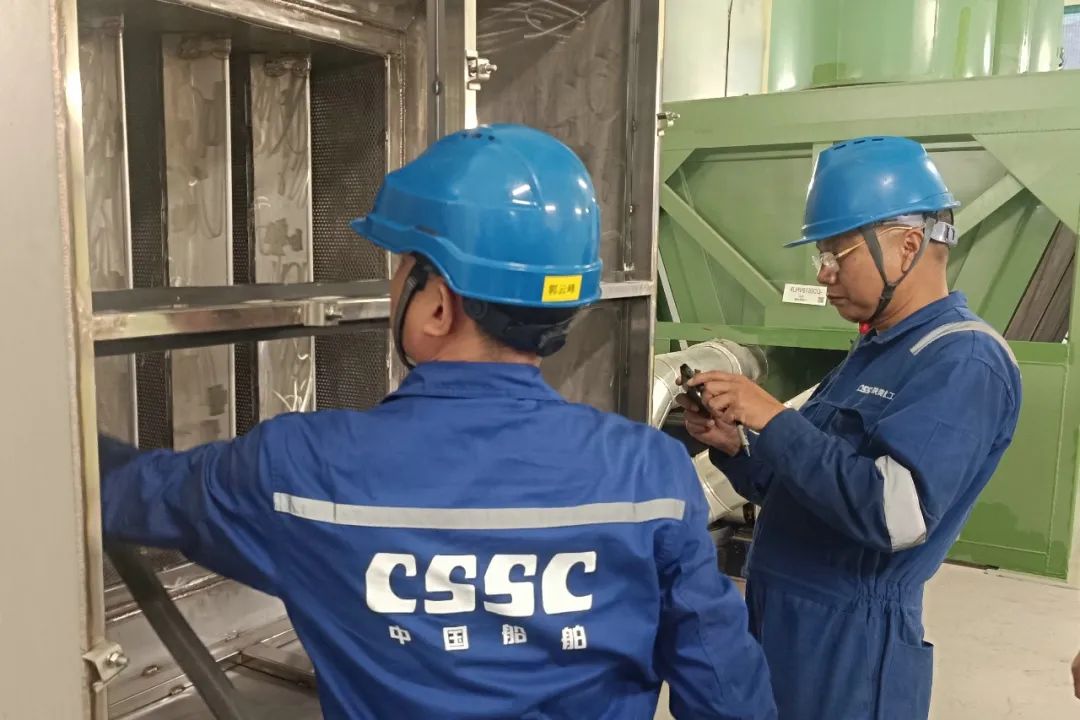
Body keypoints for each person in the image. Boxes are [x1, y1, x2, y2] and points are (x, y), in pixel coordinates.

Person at [99, 124, 776, 720]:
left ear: (437, 306)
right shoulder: (650, 475)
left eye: (403, 269)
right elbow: (724, 688)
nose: (395, 284)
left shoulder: (302, 470)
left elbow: (120, 491)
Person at [678, 136, 1022, 720]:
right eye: (822, 256)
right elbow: (802, 488)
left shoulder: (962, 360)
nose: (825, 274)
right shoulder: (876, 351)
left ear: (909, 245)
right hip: (784, 620)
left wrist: (773, 418)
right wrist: (735, 446)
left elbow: (895, 515)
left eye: (839, 254)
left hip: (850, 646)